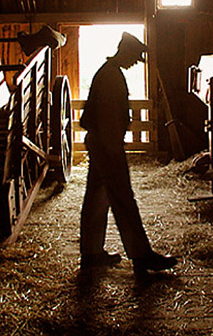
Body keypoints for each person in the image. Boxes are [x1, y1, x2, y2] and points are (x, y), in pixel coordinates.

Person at [79, 32, 177, 276]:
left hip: (100, 143)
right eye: (135, 56)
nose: (136, 61)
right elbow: (109, 118)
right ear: (126, 52)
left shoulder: (109, 72)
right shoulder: (111, 77)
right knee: (124, 199)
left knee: (96, 198)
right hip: (106, 144)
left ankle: (91, 253)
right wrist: (114, 152)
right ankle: (141, 255)